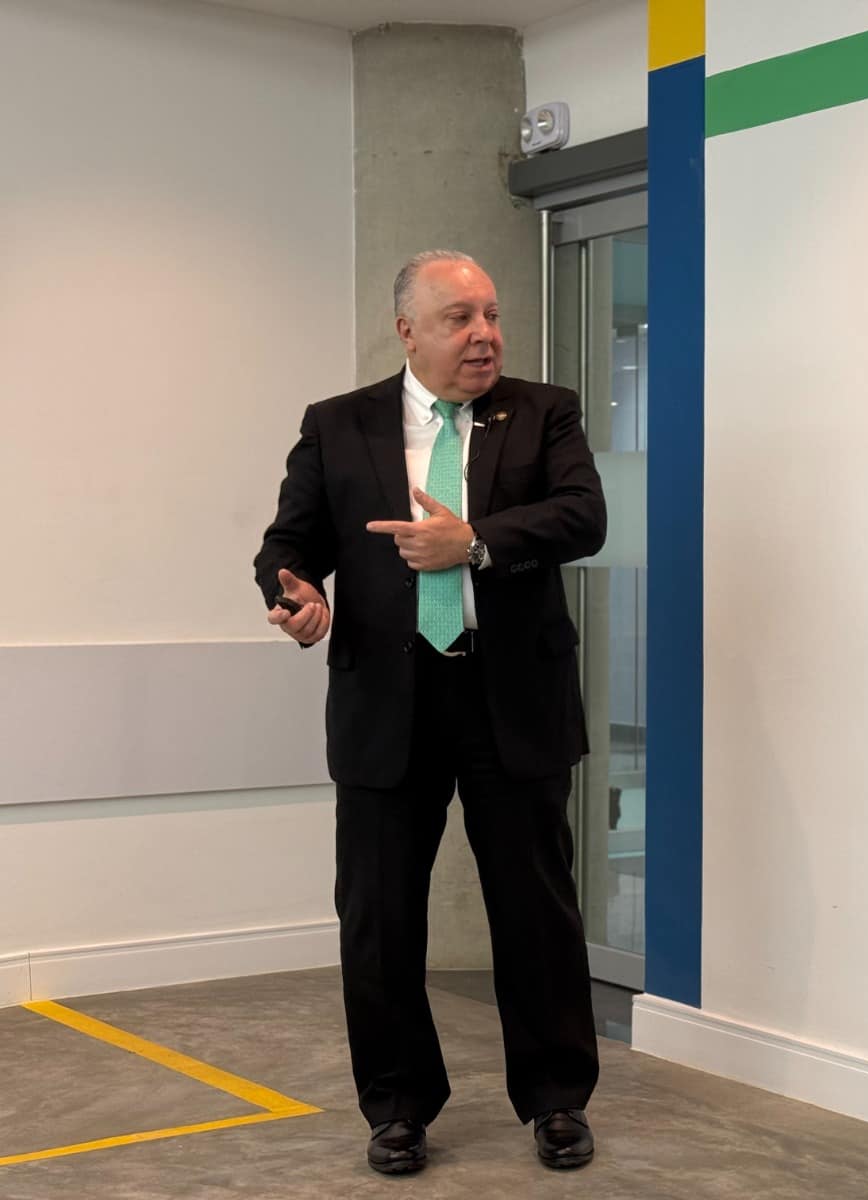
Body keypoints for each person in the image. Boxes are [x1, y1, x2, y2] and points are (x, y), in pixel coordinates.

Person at [253, 250, 606, 1177]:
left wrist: (475, 541)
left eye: (491, 315)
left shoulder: (545, 411)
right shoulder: (338, 424)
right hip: (387, 702)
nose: (484, 335)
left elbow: (583, 517)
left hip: (512, 700)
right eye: (460, 319)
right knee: (379, 918)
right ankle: (398, 1107)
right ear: (407, 330)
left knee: (535, 911)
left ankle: (557, 1099)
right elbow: (289, 543)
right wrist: (293, 595)